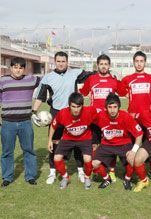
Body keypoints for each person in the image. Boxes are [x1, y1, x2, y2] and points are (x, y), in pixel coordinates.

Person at [32, 51, 92, 185]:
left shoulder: (75, 73)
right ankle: (53, 172)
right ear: (55, 61)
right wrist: (33, 111)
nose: (61, 63)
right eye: (58, 61)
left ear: (67, 62)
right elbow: (41, 96)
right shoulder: (47, 78)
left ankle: (81, 170)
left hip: (74, 112)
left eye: (63, 61)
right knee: (54, 143)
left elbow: (92, 76)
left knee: (78, 141)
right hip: (56, 113)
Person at [0, 57, 40, 186]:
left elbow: (48, 81)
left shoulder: (31, 80)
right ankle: (7, 177)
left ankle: (30, 176)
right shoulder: (2, 81)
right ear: (11, 67)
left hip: (25, 122)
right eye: (15, 67)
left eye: (21, 68)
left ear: (24, 69)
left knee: (29, 150)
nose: (18, 70)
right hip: (7, 123)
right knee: (7, 151)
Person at [79, 54, 119, 182]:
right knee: (94, 146)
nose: (103, 66)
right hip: (95, 119)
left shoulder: (114, 80)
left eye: (106, 64)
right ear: (97, 65)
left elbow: (123, 92)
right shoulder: (91, 79)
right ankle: (95, 169)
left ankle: (111, 170)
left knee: (111, 145)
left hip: (110, 119)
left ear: (109, 66)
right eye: (101, 64)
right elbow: (82, 93)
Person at [92, 93, 143, 190]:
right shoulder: (100, 115)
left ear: (119, 107)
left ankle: (127, 179)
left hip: (123, 144)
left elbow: (139, 134)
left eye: (115, 107)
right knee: (94, 163)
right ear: (106, 107)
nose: (112, 110)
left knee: (133, 161)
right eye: (110, 107)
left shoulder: (126, 116)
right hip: (107, 144)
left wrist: (134, 150)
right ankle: (107, 179)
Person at [118, 51, 151, 179]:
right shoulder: (127, 79)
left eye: (141, 61)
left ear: (145, 62)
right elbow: (120, 90)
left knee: (149, 145)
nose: (139, 64)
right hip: (132, 118)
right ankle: (129, 169)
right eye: (137, 61)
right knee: (130, 144)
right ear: (133, 62)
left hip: (148, 118)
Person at [48, 92, 96, 189]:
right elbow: (53, 126)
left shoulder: (90, 111)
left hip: (85, 138)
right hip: (68, 138)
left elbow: (103, 116)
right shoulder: (62, 113)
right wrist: (49, 140)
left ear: (82, 106)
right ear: (69, 105)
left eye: (78, 106)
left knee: (88, 159)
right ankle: (66, 177)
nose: (76, 109)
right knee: (57, 158)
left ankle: (87, 177)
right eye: (73, 106)